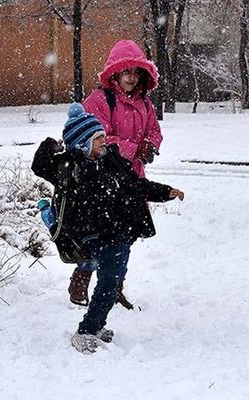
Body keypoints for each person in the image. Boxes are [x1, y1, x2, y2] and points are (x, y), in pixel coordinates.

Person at [32, 103, 184, 353]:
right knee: (108, 283)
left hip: (122, 231)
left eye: (103, 136)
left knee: (114, 282)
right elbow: (40, 166)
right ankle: (86, 331)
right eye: (97, 138)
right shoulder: (70, 168)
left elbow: (138, 185)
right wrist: (52, 145)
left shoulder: (113, 162)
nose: (104, 141)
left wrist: (166, 192)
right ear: (82, 143)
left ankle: (98, 324)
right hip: (97, 235)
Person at [65, 40, 164, 309]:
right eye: (126, 71)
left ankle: (114, 287)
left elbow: (154, 131)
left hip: (132, 179)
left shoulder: (145, 104)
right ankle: (83, 277)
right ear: (115, 73)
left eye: (136, 71)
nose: (131, 77)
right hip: (103, 180)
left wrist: (151, 145)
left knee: (127, 234)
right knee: (99, 233)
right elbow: (95, 139)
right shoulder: (99, 101)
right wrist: (133, 147)